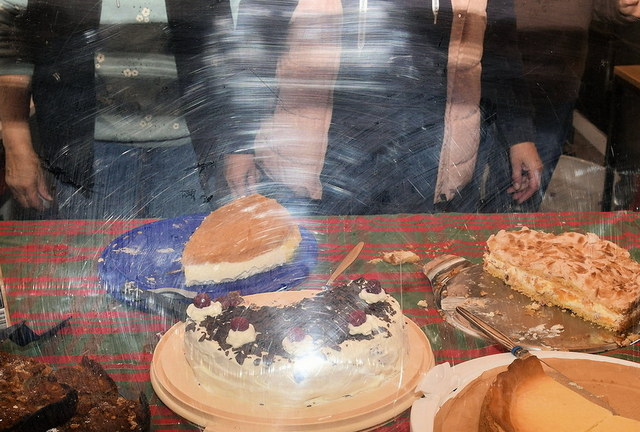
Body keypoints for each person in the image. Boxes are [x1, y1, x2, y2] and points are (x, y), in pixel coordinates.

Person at [223, 0, 542, 215]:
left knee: (415, 275)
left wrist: (520, 136)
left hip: (429, 162)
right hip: (327, 165)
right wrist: (238, 144)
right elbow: (252, 49)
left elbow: (501, 53)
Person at [0, 0, 232, 220]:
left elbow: (225, 45)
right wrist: (16, 145)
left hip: (189, 146)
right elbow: (14, 41)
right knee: (94, 246)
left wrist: (237, 148)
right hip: (89, 152)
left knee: (189, 245)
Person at [477, 0, 640, 213]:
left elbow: (598, 6)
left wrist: (619, 7)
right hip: (496, 87)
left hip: (556, 92)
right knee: (478, 189)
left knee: (523, 198)